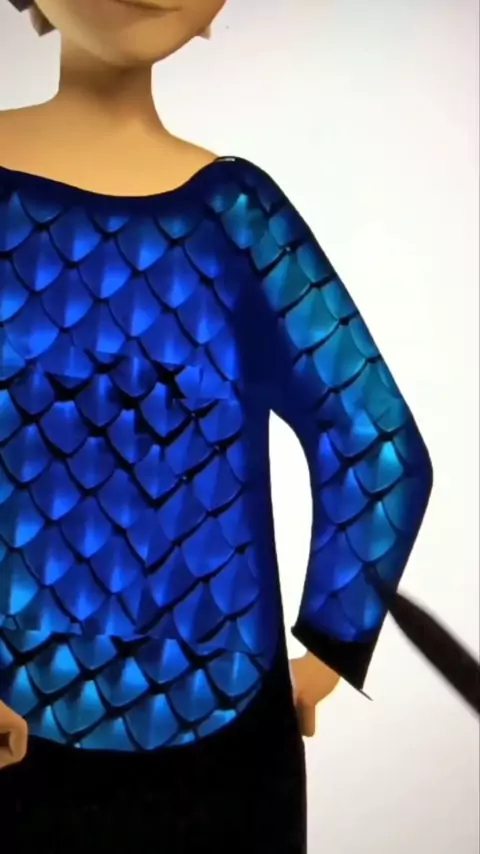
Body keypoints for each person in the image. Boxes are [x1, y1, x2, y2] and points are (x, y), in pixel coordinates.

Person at [0, 1, 434, 851]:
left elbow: (378, 440)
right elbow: (376, 440)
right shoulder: (240, 220)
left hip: (222, 745)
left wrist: (330, 652)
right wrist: (331, 644)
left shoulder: (242, 214)